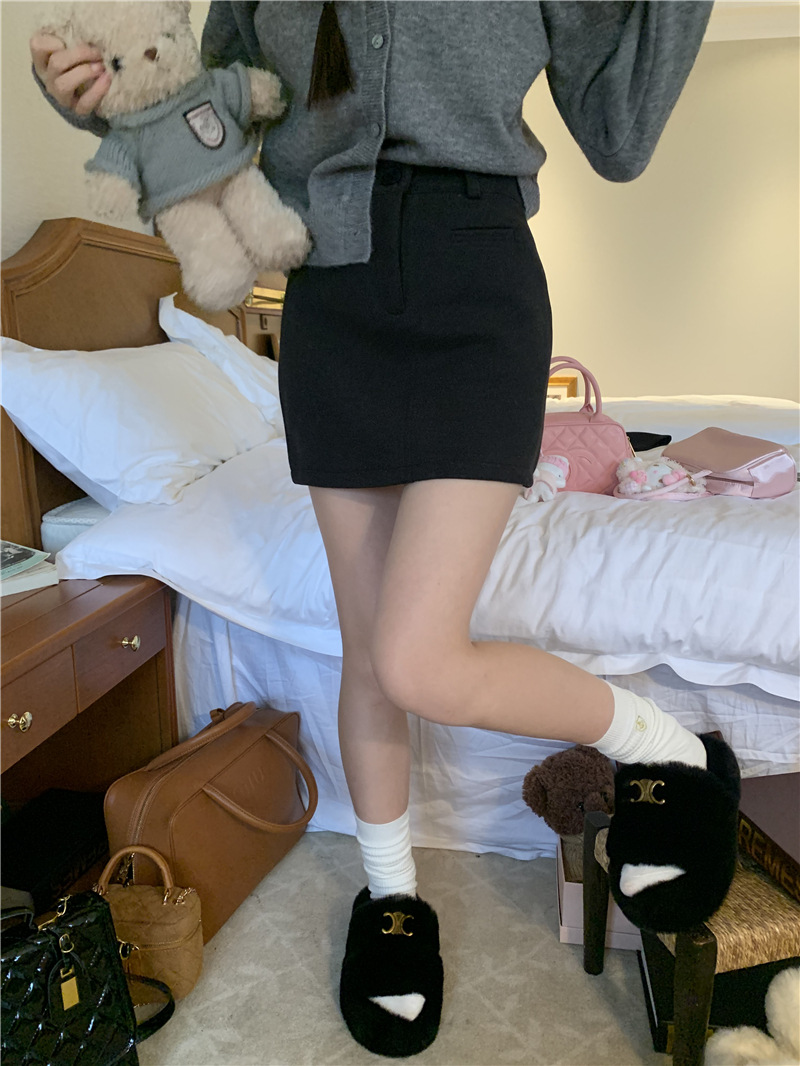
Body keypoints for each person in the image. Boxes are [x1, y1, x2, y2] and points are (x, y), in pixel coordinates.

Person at [32, 2, 737, 1058]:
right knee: (369, 646)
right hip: (328, 301)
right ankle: (392, 897)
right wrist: (97, 97)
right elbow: (205, 108)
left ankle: (668, 750)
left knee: (416, 656)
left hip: (478, 289)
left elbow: (619, 134)